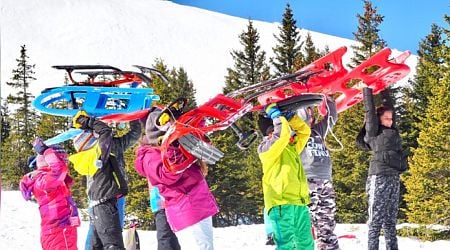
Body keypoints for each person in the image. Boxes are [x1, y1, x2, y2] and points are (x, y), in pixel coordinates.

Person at [134, 107, 218, 250]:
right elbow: (168, 176)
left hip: (199, 203)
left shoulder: (177, 143)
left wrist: (190, 117)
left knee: (206, 246)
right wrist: (175, 148)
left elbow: (199, 130)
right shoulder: (150, 155)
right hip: (186, 208)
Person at [257, 103, 314, 250]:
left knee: (306, 243)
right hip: (280, 202)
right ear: (269, 133)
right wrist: (276, 115)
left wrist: (292, 117)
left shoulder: (291, 146)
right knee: (286, 244)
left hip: (299, 202)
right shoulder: (266, 149)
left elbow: (304, 132)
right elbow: (281, 136)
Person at [69, 110, 128, 249]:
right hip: (105, 205)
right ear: (91, 143)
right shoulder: (97, 154)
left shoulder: (86, 158)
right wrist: (87, 121)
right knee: (114, 245)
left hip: (97, 206)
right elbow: (105, 131)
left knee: (98, 246)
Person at [84, 119, 142, 250]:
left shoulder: (117, 144)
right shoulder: (90, 144)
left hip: (117, 193)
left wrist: (133, 116)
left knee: (115, 229)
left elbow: (135, 134)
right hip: (99, 194)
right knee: (95, 231)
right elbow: (78, 130)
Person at [361, 87, 408, 250]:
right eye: (386, 119)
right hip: (379, 177)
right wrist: (366, 89)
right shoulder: (374, 131)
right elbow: (370, 111)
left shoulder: (393, 131)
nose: (390, 121)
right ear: (379, 119)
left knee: (390, 222)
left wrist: (384, 88)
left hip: (394, 178)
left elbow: (391, 107)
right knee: (375, 222)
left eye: (391, 119)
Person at [20, 139, 80, 250]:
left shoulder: (46, 180)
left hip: (57, 231)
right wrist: (46, 151)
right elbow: (59, 170)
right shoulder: (44, 180)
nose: (65, 162)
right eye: (62, 159)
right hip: (59, 232)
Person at [298, 96, 340, 250]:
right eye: (305, 114)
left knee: (326, 222)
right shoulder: (295, 134)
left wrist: (328, 98)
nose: (309, 117)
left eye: (310, 113)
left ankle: (328, 247)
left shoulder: (317, 130)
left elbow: (331, 118)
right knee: (306, 222)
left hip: (325, 181)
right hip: (307, 181)